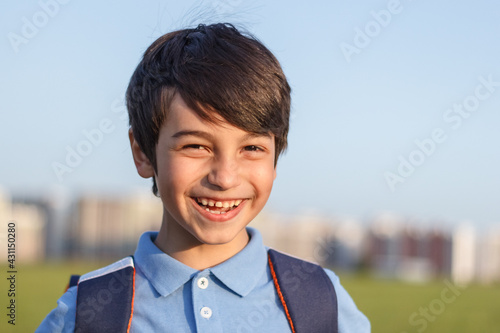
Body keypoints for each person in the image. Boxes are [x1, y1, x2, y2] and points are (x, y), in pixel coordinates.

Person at [36, 23, 370, 332]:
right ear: (142, 153)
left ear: (276, 156)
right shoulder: (88, 312)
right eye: (196, 146)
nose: (225, 177)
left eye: (252, 148)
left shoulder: (320, 302)